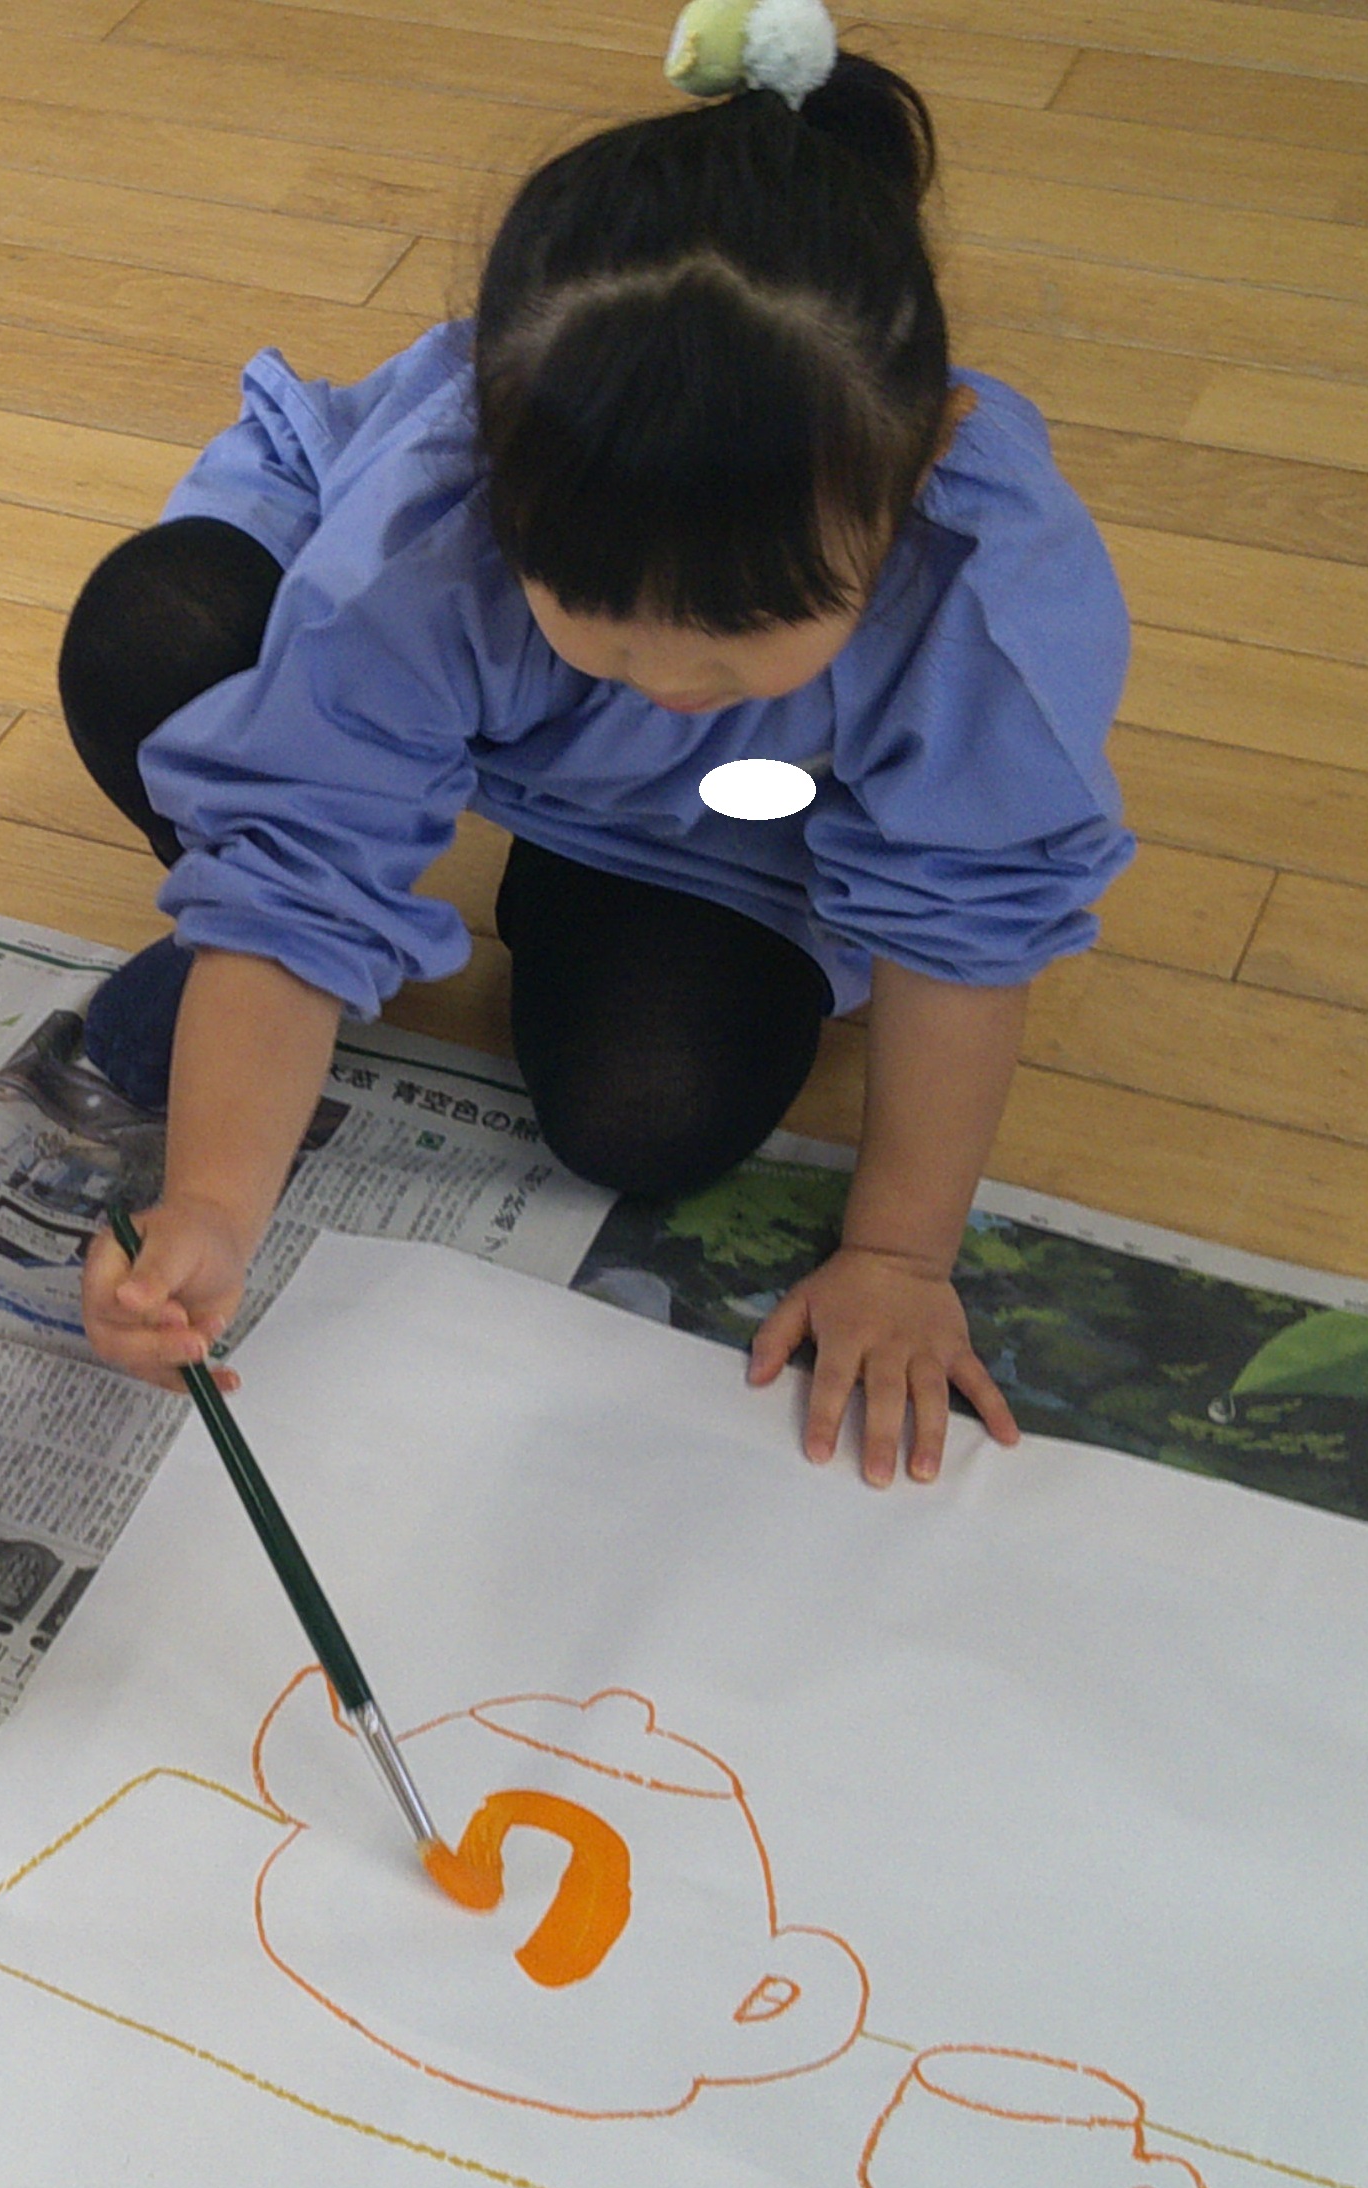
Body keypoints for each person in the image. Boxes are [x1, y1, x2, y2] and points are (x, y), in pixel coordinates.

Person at [64, 2, 1131, 1484]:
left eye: (744, 628)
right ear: (489, 463)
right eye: (598, 613)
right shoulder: (429, 530)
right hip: (465, 717)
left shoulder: (979, 588)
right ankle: (250, 964)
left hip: (726, 824)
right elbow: (305, 847)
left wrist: (898, 1253)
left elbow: (966, 918)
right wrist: (209, 1208)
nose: (668, 675)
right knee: (161, 635)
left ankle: (518, 896)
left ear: (915, 477)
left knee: (649, 1111)